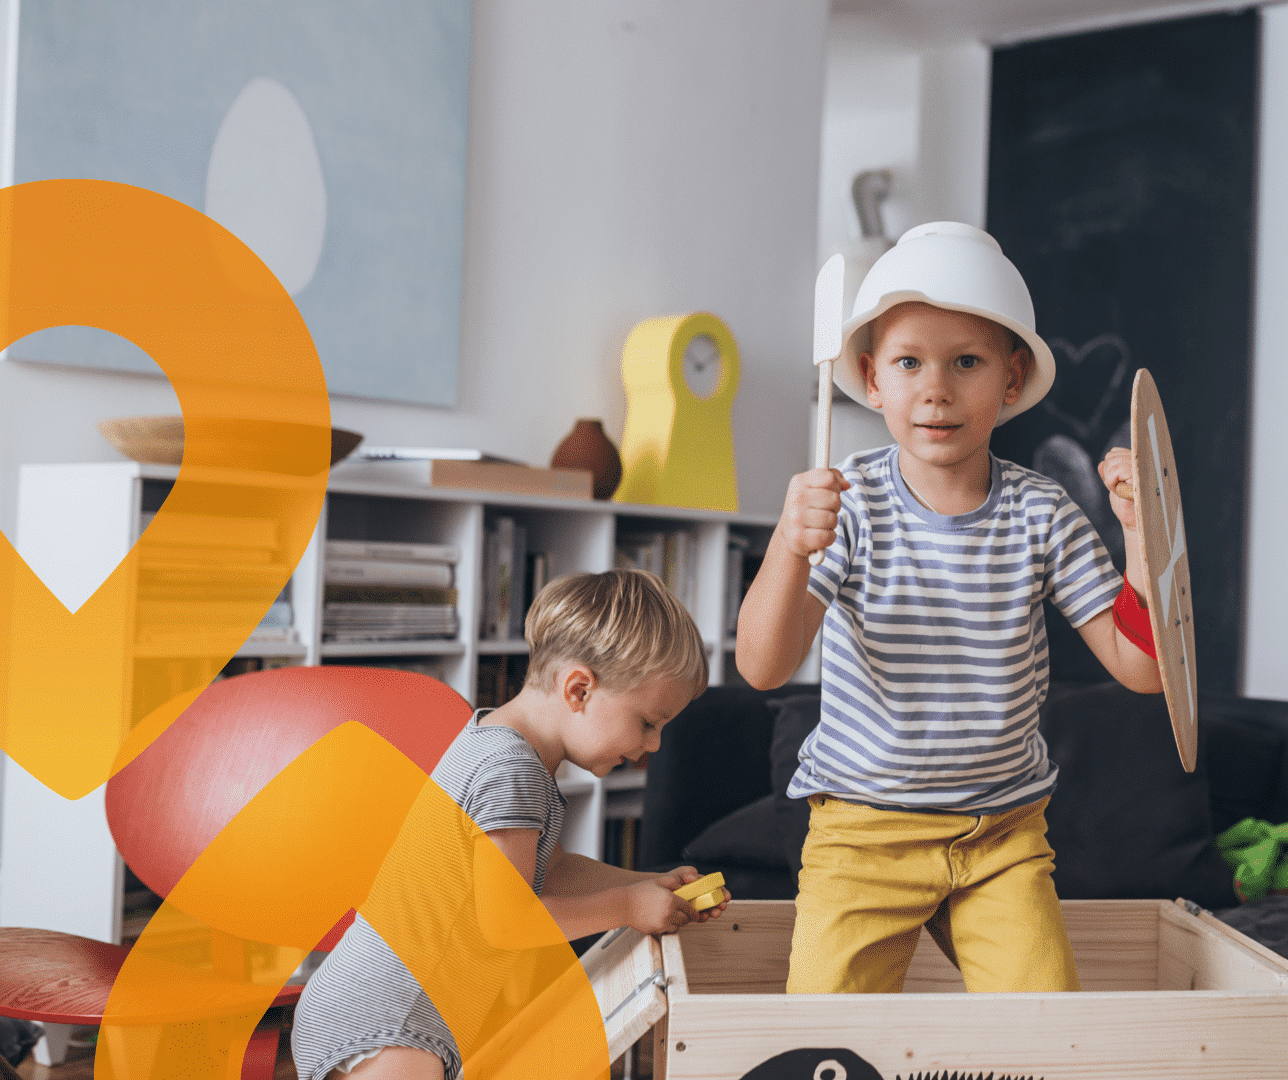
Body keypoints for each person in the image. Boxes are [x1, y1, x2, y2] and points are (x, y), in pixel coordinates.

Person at [736, 221, 1163, 995]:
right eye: (909, 363)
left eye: (966, 362)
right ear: (871, 380)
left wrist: (1142, 537)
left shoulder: (1045, 513)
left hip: (1003, 837)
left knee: (1046, 1043)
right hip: (862, 835)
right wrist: (788, 546)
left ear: (1011, 378)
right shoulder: (848, 502)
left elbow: (1141, 670)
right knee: (826, 1047)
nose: (936, 388)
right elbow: (762, 667)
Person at [292, 569, 727, 1079]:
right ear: (579, 689)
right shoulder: (512, 769)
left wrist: (647, 883)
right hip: (393, 1017)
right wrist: (628, 906)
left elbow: (551, 872)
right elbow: (507, 921)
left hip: (382, 1009)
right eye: (647, 723)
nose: (652, 746)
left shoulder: (501, 743)